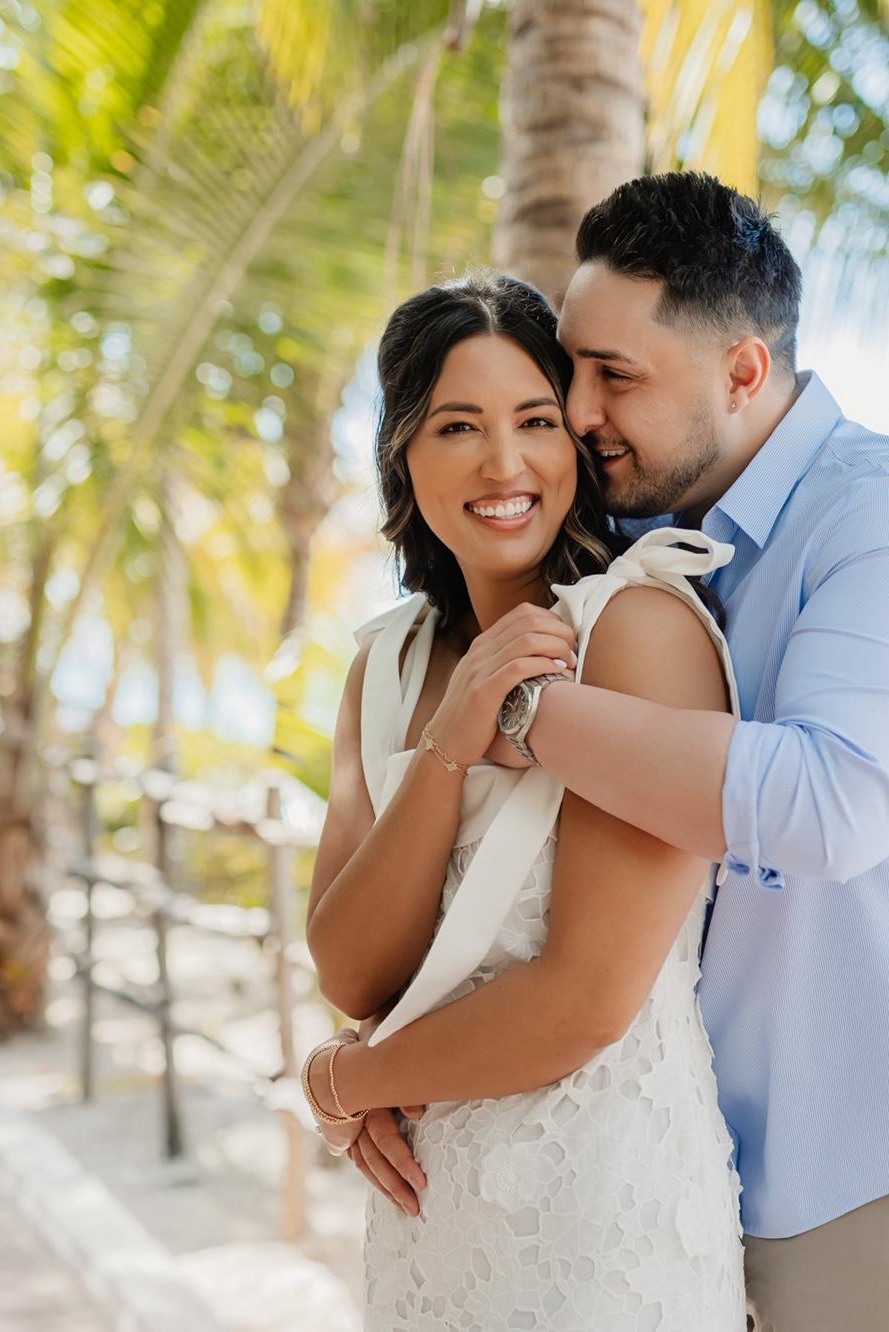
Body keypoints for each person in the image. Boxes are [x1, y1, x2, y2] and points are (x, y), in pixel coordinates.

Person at [460, 171, 889, 1331]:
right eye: (572, 369)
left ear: (743, 370)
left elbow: (831, 807)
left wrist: (520, 709)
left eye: (615, 375)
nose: (578, 410)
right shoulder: (646, 543)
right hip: (700, 1182)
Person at [302, 271, 747, 1329]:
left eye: (536, 421)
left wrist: (344, 1082)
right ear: (403, 455)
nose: (504, 464)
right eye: (458, 426)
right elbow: (354, 966)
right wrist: (451, 745)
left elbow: (586, 1000)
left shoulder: (638, 632)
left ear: (576, 443)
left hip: (605, 1231)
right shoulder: (389, 664)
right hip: (429, 1226)